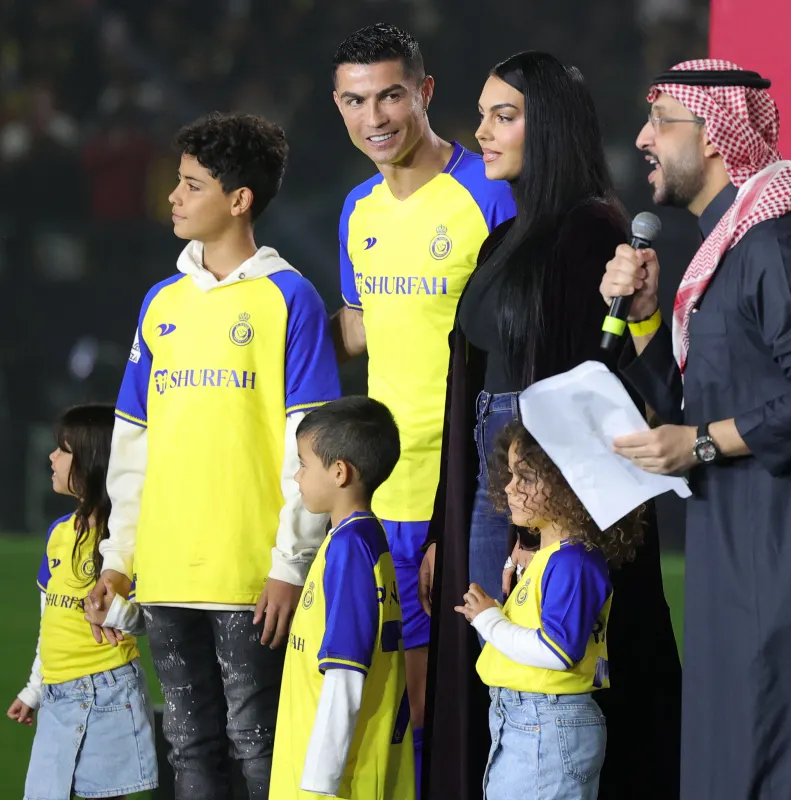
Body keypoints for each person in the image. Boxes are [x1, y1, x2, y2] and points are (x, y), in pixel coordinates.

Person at [600, 59, 791, 798]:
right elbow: (693, 406)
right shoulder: (727, 251)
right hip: (740, 543)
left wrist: (702, 444)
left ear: (716, 136)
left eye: (661, 122)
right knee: (741, 746)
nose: (643, 138)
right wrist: (645, 321)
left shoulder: (774, 244)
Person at [422, 51, 681, 799]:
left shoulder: (591, 229)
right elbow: (470, 390)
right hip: (490, 478)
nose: (482, 132)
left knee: (533, 673)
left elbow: (596, 391)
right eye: (483, 116)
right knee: (493, 672)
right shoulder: (504, 237)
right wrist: (448, 520)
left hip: (539, 492)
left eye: (504, 116)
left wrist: (540, 526)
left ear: (552, 128)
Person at [87, 111, 343, 799]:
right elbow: (133, 444)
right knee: (188, 746)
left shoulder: (290, 298)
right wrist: (119, 560)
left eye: (191, 184)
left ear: (239, 200)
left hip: (251, 577)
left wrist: (289, 564)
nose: (173, 196)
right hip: (165, 573)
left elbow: (312, 445)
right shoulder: (160, 303)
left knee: (257, 743)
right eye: (178, 181)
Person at [329, 23, 516, 793]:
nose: (373, 118)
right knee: (397, 716)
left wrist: (479, 507)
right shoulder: (357, 210)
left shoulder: (490, 194)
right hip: (380, 498)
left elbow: (515, 357)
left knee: (473, 711)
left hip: (468, 498)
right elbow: (359, 328)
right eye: (354, 101)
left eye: (390, 96)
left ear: (425, 92)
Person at [454, 421, 645, 800]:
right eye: (511, 475)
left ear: (569, 486)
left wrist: (490, 621)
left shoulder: (574, 561)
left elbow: (557, 651)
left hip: (547, 725)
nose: (510, 487)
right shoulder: (551, 558)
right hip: (529, 722)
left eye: (525, 477)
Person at [7, 403, 158, 800]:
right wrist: (34, 688)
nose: (52, 456)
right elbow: (49, 620)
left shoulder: (126, 540)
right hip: (57, 695)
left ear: (93, 462)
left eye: (64, 449)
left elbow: (150, 617)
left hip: (109, 690)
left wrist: (117, 612)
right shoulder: (59, 533)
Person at [270, 396, 414, 799]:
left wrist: (321, 782)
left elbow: (345, 673)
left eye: (304, 464)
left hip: (334, 784)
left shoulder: (351, 549)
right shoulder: (356, 540)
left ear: (339, 472)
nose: (297, 476)